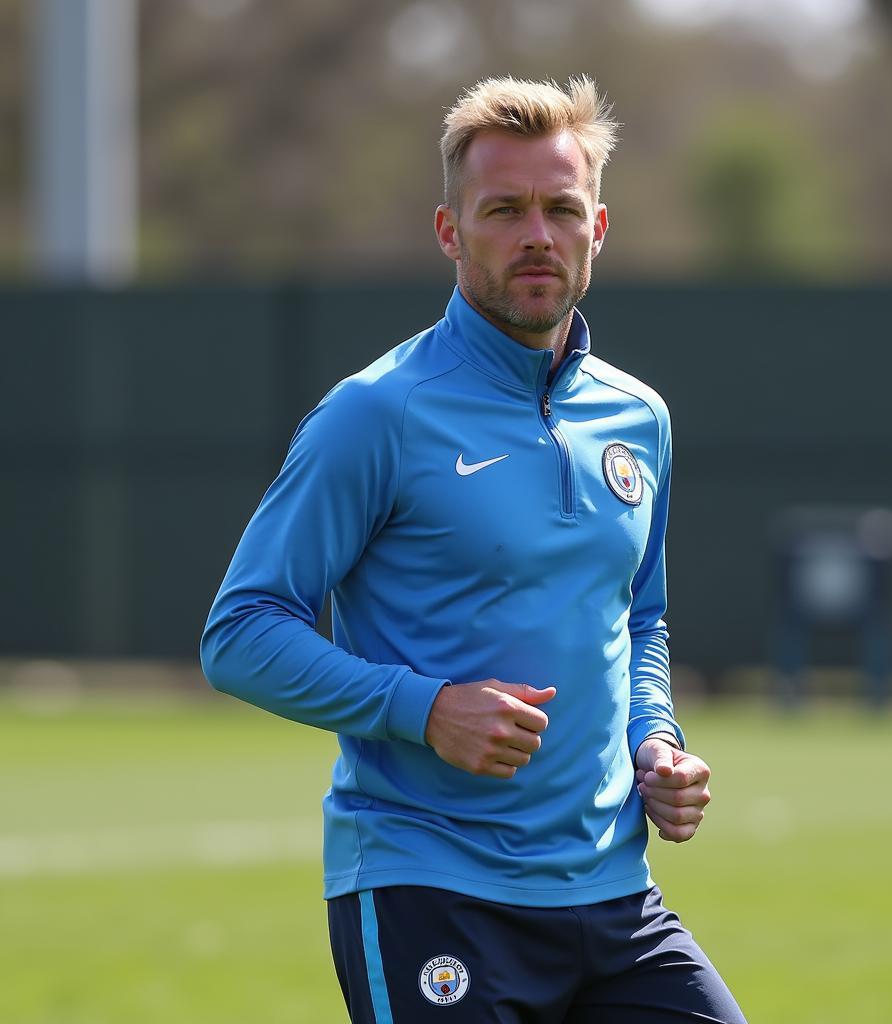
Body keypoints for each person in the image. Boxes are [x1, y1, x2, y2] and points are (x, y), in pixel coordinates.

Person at [201, 76, 746, 1024]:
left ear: (599, 227)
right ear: (452, 231)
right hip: (430, 890)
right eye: (504, 210)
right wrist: (426, 709)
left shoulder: (639, 417)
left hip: (611, 896)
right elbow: (240, 631)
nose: (536, 234)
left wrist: (655, 742)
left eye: (560, 208)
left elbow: (639, 619)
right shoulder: (376, 414)